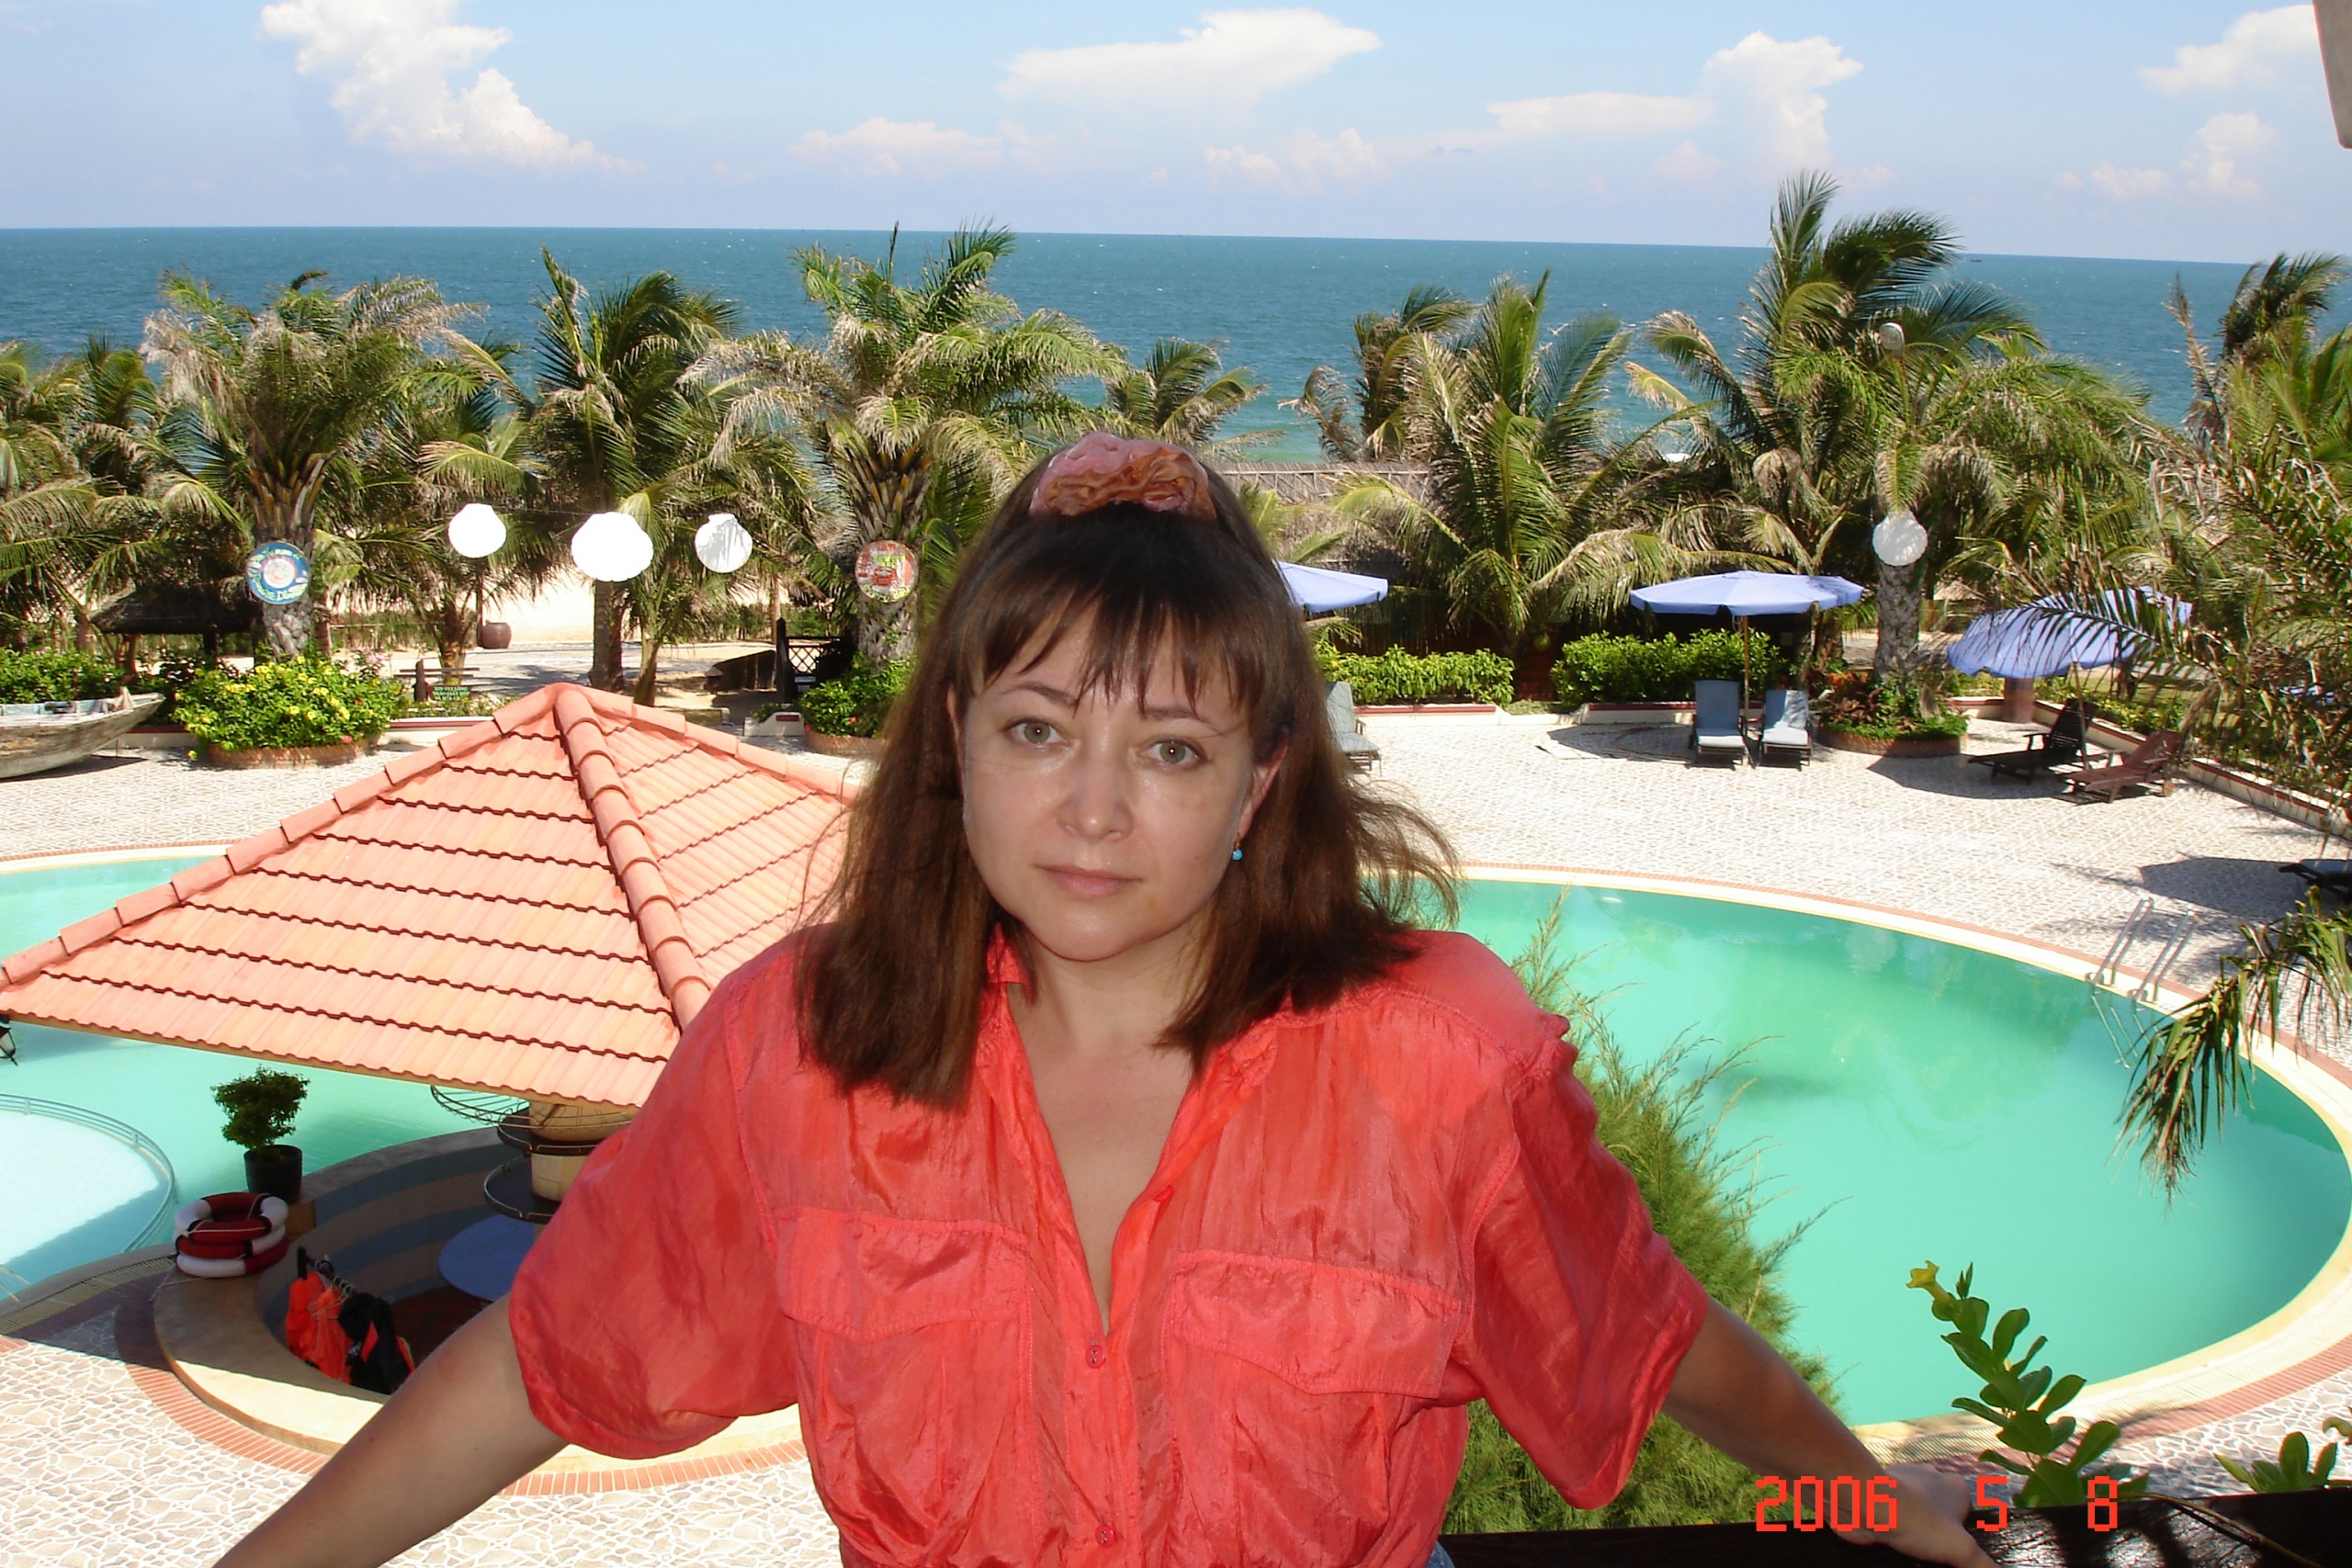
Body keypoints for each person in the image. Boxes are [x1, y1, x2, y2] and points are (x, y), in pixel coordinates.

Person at [217, 434, 1996, 1568]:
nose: (1089, 810)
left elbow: (1656, 1337)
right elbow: (544, 1358)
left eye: (1168, 749)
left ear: (1260, 780)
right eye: (1036, 729)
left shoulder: (1435, 1056)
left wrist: (1876, 1501)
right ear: (956, 747)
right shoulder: (800, 1048)